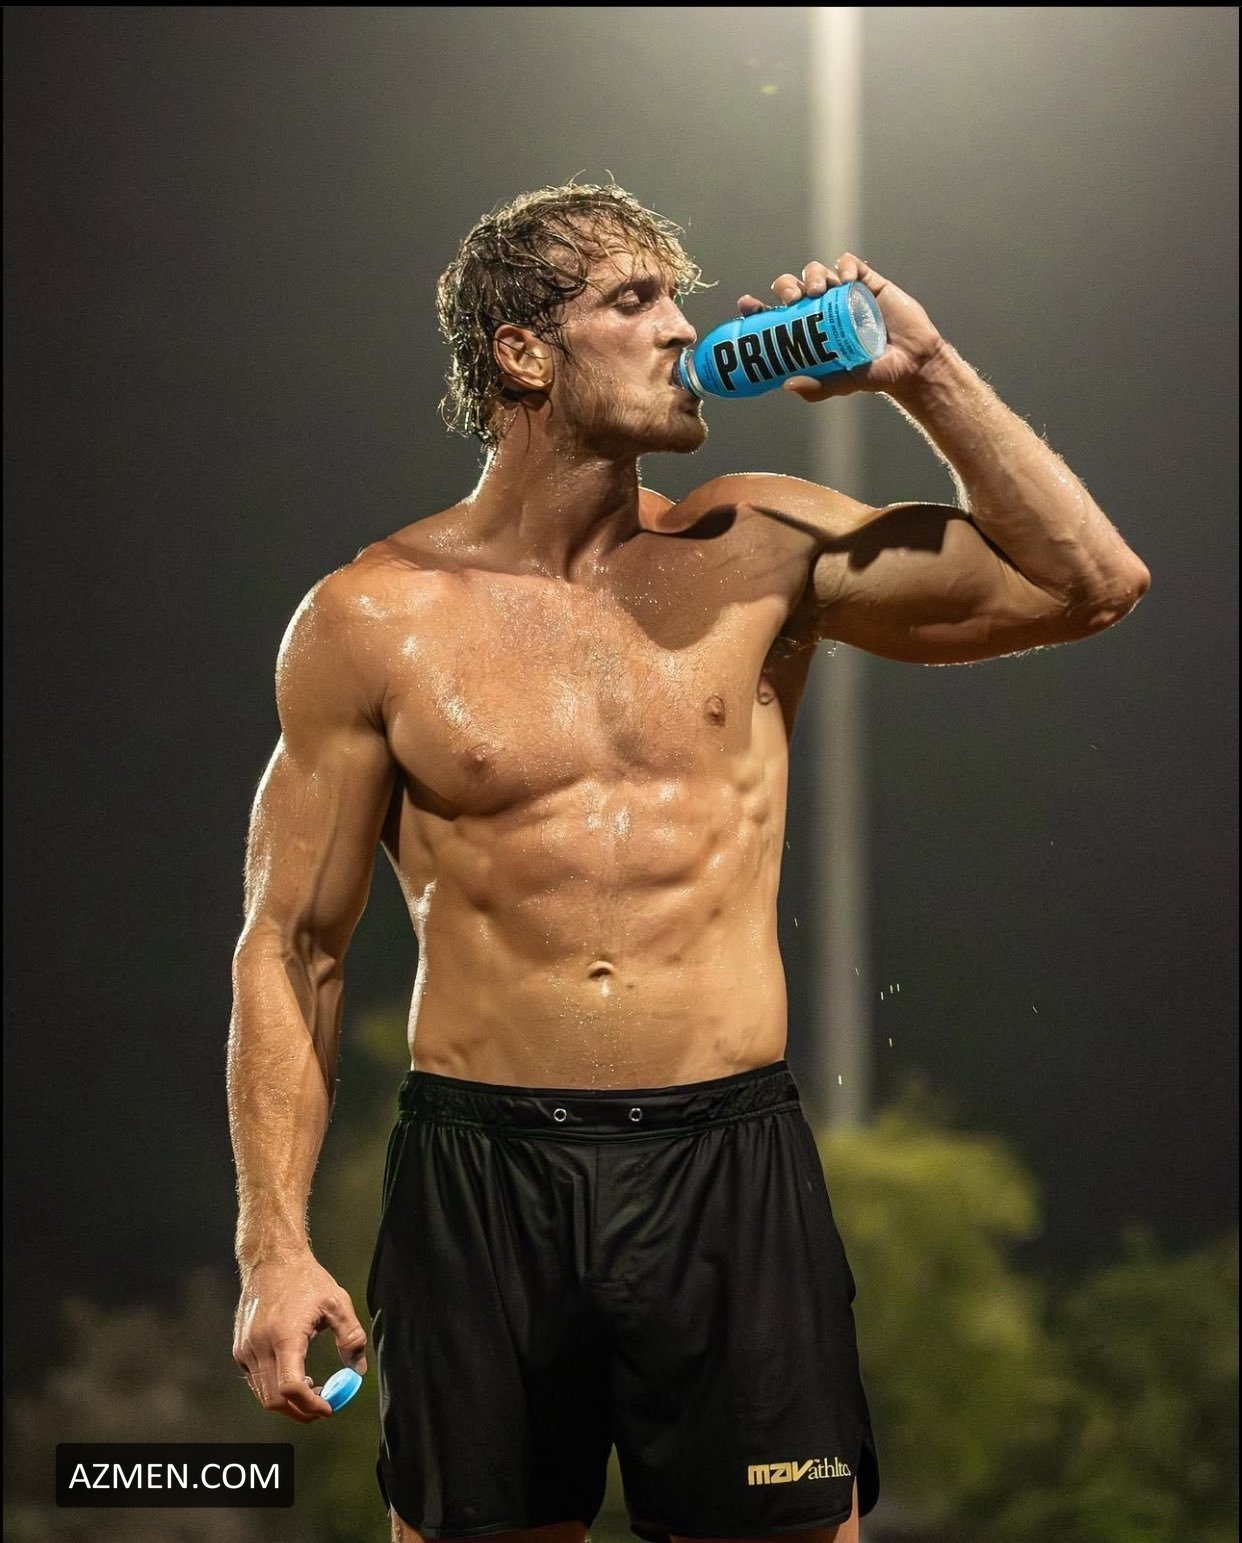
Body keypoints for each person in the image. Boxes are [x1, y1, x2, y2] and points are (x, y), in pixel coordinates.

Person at [227, 182, 1149, 1543]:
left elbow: (1089, 583)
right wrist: (273, 1243)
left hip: (726, 1168)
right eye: (632, 299)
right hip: (482, 1182)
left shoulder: (756, 544)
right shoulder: (373, 618)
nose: (681, 329)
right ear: (522, 352)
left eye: (676, 297)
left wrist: (925, 373)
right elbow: (291, 946)